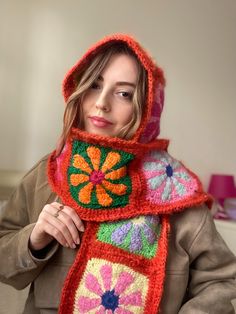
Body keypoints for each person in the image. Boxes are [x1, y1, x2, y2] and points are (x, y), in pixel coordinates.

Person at [0, 34, 235, 314]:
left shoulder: (176, 194)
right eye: (94, 85)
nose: (101, 103)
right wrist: (33, 240)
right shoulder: (46, 175)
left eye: (123, 93)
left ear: (147, 106)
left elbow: (220, 282)